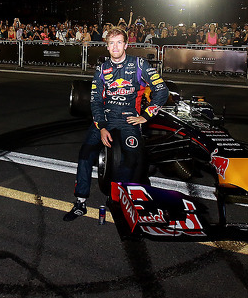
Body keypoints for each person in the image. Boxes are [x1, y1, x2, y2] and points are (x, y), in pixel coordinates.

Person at [63, 27, 169, 221]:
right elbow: (95, 100)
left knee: (132, 157)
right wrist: (101, 127)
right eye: (111, 43)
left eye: (119, 42)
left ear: (126, 44)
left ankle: (120, 200)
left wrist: (146, 116)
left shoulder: (140, 64)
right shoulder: (102, 69)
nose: (115, 46)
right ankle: (80, 202)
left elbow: (162, 91)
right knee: (86, 153)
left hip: (130, 119)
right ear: (107, 46)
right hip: (106, 118)